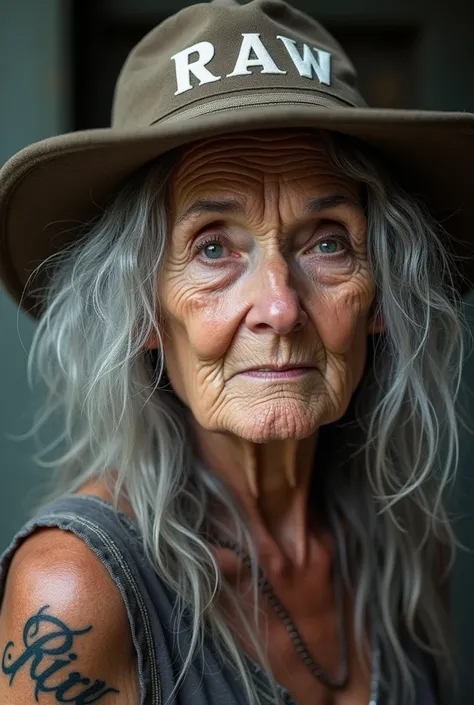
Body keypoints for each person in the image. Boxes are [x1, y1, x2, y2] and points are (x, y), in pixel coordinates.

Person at [0, 1, 473, 703]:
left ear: (381, 297)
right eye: (214, 248)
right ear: (142, 312)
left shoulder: (406, 543)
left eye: (328, 241)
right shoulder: (76, 595)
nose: (281, 308)